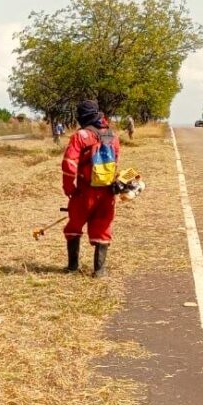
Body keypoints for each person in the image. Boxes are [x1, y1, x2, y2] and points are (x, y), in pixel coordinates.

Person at [61, 100, 121, 278]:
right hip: (108, 192)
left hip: (84, 192)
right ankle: (99, 270)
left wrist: (68, 187)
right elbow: (115, 162)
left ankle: (72, 267)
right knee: (102, 227)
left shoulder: (80, 136)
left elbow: (68, 163)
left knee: (74, 226)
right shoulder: (112, 135)